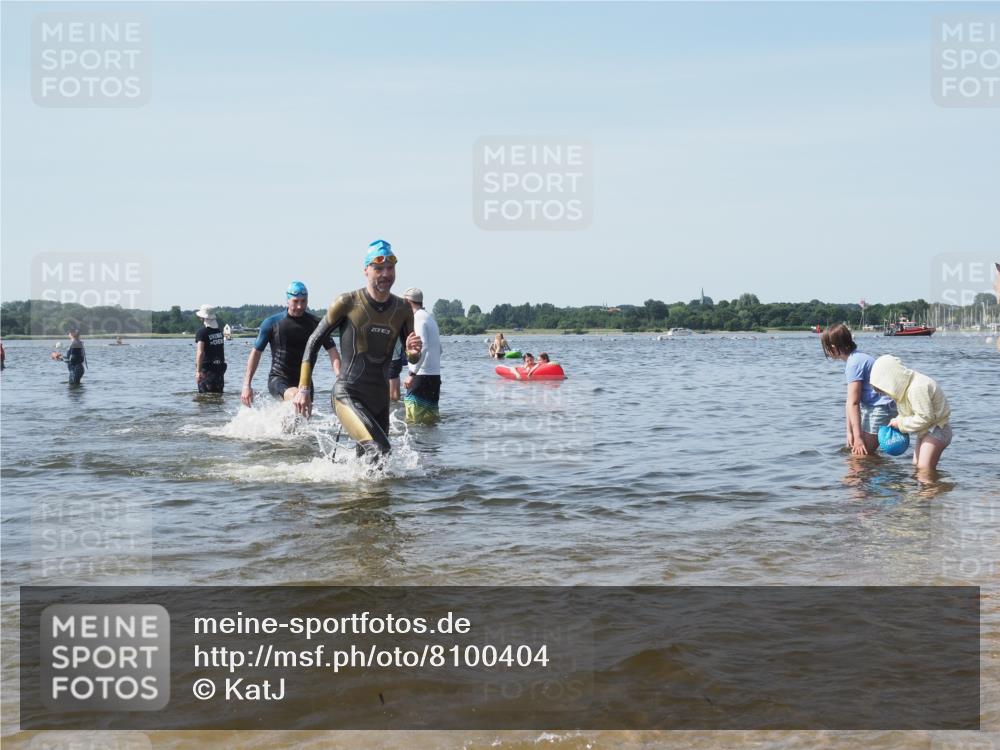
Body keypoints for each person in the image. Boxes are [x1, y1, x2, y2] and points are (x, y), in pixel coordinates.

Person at [294, 239, 422, 459]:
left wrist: (414, 352)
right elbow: (313, 341)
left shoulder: (402, 308)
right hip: (347, 394)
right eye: (378, 268)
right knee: (380, 449)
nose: (386, 274)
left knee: (376, 462)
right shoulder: (347, 302)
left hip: (379, 401)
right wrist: (303, 388)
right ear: (366, 270)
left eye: (390, 268)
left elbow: (412, 356)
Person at [241, 281, 341, 407]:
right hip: (279, 379)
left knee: (304, 416)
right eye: (295, 301)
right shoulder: (272, 323)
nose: (300, 306)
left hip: (305, 382)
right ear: (287, 300)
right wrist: (247, 385)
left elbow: (333, 351)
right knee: (295, 396)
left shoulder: (317, 324)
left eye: (303, 301)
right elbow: (256, 353)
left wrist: (339, 377)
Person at [820, 324, 896, 456]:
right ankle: (876, 466)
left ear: (833, 347)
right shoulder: (855, 358)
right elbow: (850, 402)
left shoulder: (854, 364)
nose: (827, 351)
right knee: (861, 455)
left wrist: (858, 438)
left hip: (881, 407)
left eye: (826, 348)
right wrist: (849, 433)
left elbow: (853, 403)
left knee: (860, 456)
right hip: (872, 406)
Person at [870, 354, 952, 471]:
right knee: (916, 465)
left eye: (883, 390)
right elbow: (907, 414)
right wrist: (896, 420)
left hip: (938, 428)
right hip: (926, 429)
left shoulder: (917, 388)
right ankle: (931, 482)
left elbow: (925, 418)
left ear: (891, 379)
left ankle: (931, 482)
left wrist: (900, 424)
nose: (885, 394)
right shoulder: (903, 390)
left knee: (924, 468)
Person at [401, 287, 442, 424]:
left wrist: (412, 374)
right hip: (434, 376)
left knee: (413, 421)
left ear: (408, 302)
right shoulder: (429, 317)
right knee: (431, 421)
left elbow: (422, 347)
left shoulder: (417, 318)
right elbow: (440, 349)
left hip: (421, 376)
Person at [194, 304, 227, 394]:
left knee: (204, 398)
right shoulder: (219, 332)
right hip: (219, 369)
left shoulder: (201, 332)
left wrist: (198, 371)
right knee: (218, 396)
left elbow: (200, 352)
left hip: (207, 370)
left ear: (203, 317)